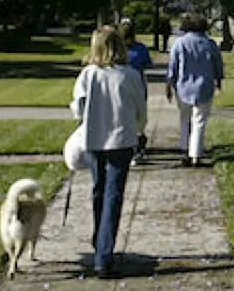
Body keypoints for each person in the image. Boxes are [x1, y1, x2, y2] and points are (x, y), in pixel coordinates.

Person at [70, 26, 147, 279]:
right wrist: (139, 129)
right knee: (113, 196)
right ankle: (104, 253)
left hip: (94, 139)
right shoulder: (130, 75)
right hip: (121, 141)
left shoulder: (88, 75)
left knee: (99, 191)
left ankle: (100, 242)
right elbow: (140, 109)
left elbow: (79, 109)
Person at [166, 12, 224, 167]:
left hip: (183, 88)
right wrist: (218, 81)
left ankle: (185, 150)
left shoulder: (179, 44)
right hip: (204, 87)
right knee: (199, 121)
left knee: (185, 120)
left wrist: (169, 85)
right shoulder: (209, 44)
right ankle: (196, 155)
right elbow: (218, 65)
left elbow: (173, 67)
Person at [119, 21, 152, 164]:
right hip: (137, 85)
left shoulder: (116, 50)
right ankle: (136, 147)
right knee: (138, 117)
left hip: (120, 87)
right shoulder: (140, 49)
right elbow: (148, 64)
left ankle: (131, 146)